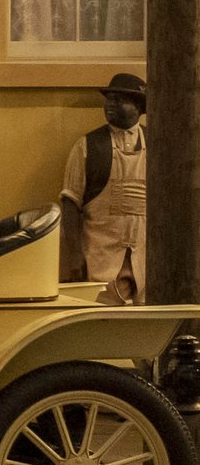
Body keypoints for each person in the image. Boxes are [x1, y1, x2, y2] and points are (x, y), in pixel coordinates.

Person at [59, 73, 147, 304]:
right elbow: (70, 203)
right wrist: (75, 256)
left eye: (119, 100)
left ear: (138, 106)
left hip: (145, 260)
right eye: (108, 99)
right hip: (101, 259)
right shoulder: (88, 146)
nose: (110, 105)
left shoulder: (158, 143)